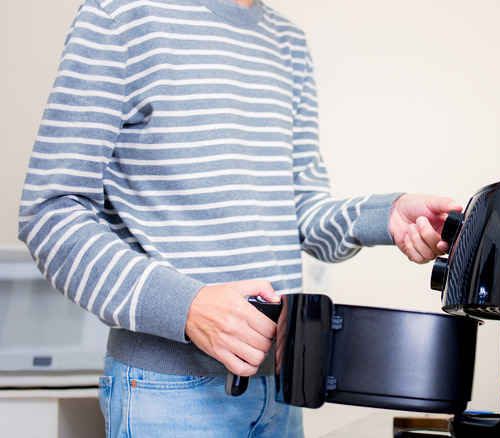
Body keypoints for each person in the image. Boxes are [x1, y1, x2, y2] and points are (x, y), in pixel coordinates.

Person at [18, 0, 461, 436]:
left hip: (280, 390)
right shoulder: (120, 15)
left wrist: (385, 216)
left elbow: (300, 207)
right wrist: (186, 307)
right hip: (166, 393)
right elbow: (49, 214)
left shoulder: (288, 42)